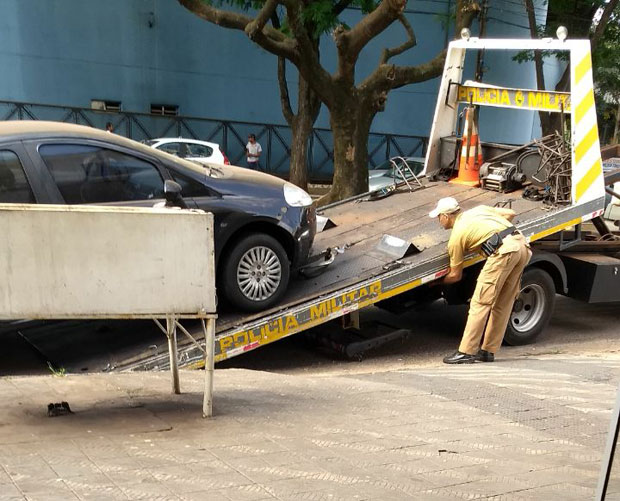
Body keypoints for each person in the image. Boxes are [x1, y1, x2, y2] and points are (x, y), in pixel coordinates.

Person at [429, 197, 532, 364]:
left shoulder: (456, 237)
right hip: (522, 246)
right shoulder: (478, 210)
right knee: (503, 303)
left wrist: (437, 283)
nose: (438, 221)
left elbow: (456, 275)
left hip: (503, 253)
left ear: (446, 216)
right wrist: (490, 232)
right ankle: (487, 351)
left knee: (480, 303)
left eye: (439, 217)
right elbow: (510, 213)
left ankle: (466, 352)